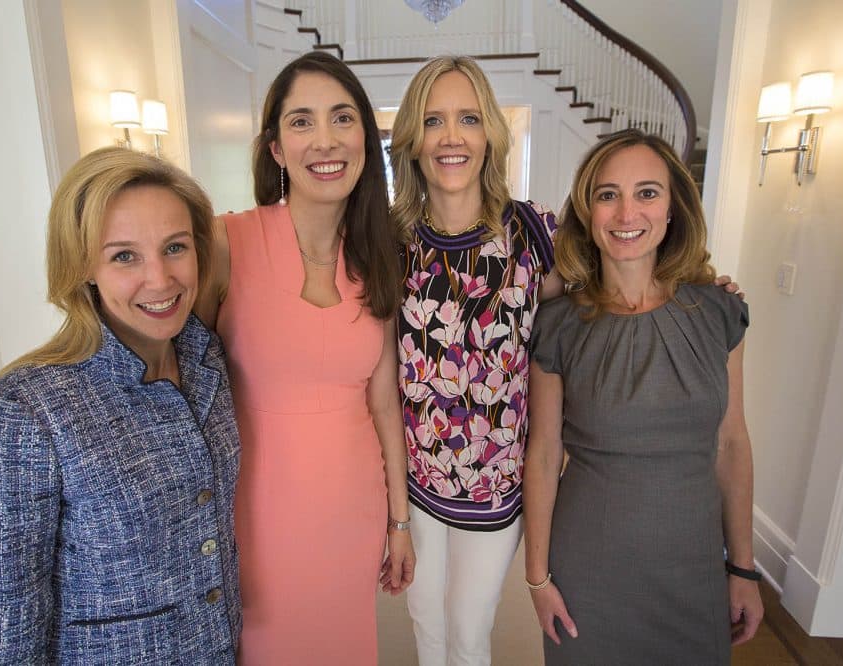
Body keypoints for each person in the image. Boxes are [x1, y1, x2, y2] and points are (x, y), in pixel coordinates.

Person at [0, 147, 242, 664]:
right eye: (124, 255)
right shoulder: (20, 414)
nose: (160, 279)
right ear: (84, 265)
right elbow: (0, 634)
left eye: (175, 247)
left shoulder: (205, 358)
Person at [194, 51, 414, 665]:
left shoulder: (378, 257)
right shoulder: (225, 241)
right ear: (275, 150)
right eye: (302, 122)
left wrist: (399, 522)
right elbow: (176, 384)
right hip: (257, 519)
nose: (325, 139)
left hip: (352, 510)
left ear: (366, 141)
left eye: (342, 119)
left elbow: (384, 404)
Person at [524, 128, 763, 664]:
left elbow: (731, 444)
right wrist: (537, 579)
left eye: (647, 193)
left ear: (674, 207)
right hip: (589, 569)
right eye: (608, 195)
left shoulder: (719, 313)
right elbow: (541, 456)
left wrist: (743, 568)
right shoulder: (560, 324)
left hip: (692, 566)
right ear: (588, 211)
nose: (627, 213)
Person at [389, 55, 564, 665]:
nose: (451, 137)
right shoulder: (390, 242)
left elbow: (592, 319)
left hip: (494, 483)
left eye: (468, 118)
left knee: (467, 633)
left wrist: (698, 284)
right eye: (434, 121)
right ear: (412, 141)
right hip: (414, 484)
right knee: (425, 627)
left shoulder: (533, 233)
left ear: (489, 131)